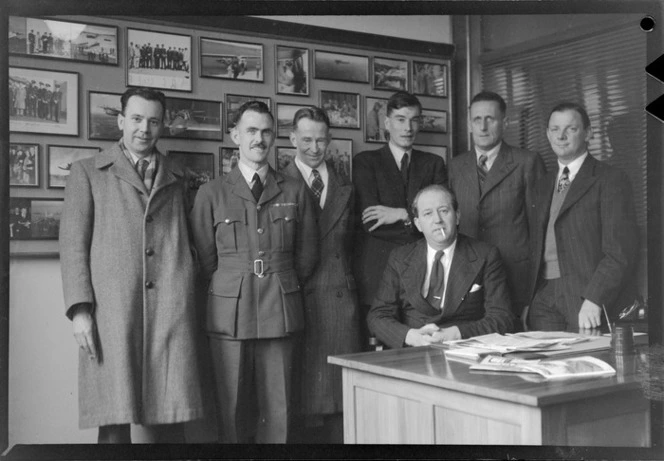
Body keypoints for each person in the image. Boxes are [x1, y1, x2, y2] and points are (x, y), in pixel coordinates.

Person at [59, 87, 206, 443]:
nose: (145, 129)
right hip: (113, 311)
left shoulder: (180, 176)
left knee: (172, 418)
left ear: (162, 125)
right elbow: (73, 245)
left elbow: (195, 240)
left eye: (154, 121)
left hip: (172, 309)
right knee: (113, 419)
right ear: (122, 121)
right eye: (137, 119)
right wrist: (81, 311)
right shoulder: (88, 173)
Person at [190, 101, 318, 443]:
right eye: (251, 131)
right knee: (229, 407)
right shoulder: (212, 192)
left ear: (274, 136)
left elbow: (307, 255)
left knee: (281, 409)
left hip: (279, 307)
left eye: (265, 131)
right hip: (229, 312)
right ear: (235, 135)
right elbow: (204, 259)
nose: (258, 139)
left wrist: (279, 281)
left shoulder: (293, 190)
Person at [282, 107, 361, 443]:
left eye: (321, 140)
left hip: (339, 300)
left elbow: (356, 243)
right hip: (294, 299)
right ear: (292, 139)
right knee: (298, 402)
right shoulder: (277, 182)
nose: (314, 148)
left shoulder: (346, 184)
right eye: (306, 140)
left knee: (338, 406)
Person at [527, 102, 638, 331]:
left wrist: (595, 298)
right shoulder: (542, 184)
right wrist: (530, 299)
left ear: (589, 133)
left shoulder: (610, 180)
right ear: (547, 134)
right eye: (555, 129)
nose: (562, 136)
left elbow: (619, 252)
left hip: (585, 297)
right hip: (543, 298)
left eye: (571, 129)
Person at [367, 185, 517, 348]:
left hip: (463, 350)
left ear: (457, 216)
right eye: (428, 213)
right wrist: (411, 336)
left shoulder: (486, 255)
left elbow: (502, 318)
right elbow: (378, 316)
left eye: (444, 211)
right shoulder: (400, 257)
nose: (437, 219)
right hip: (412, 351)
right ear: (418, 224)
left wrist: (455, 334)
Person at [353, 91, 448, 347]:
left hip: (423, 276)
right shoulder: (366, 162)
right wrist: (419, 220)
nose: (408, 127)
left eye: (414, 120)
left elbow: (440, 224)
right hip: (378, 273)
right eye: (400, 119)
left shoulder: (433, 164)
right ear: (387, 123)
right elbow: (371, 223)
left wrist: (400, 214)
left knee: (423, 351)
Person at [448, 91, 546, 322]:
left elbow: (539, 230)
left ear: (505, 122)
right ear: (469, 124)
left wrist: (534, 293)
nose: (482, 127)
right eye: (476, 120)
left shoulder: (527, 162)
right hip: (468, 276)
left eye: (490, 119)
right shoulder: (455, 166)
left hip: (514, 276)